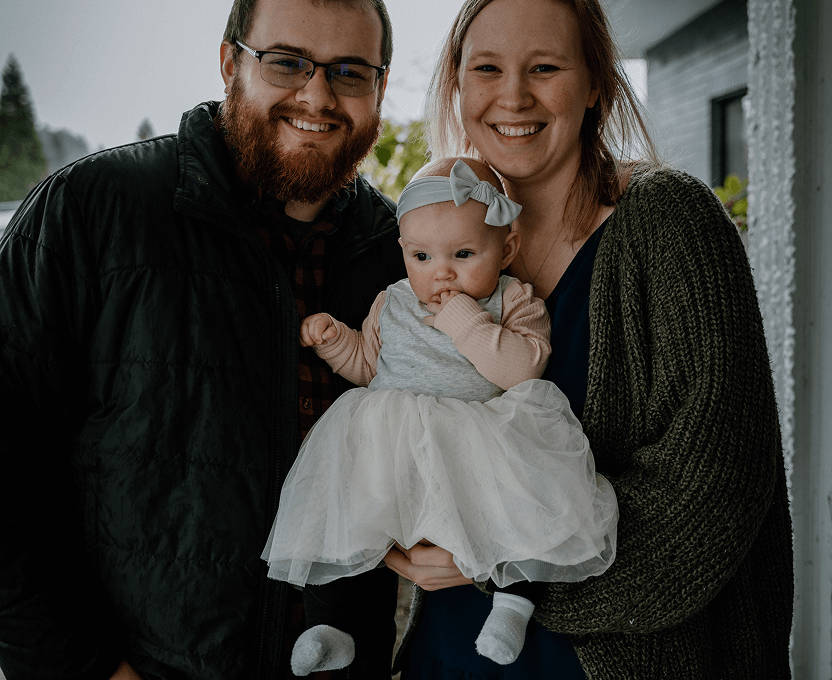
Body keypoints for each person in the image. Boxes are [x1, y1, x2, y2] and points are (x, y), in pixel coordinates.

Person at [385, 0, 795, 678]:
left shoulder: (670, 222)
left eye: (545, 67)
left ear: (596, 81)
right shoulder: (437, 246)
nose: (513, 95)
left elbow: (711, 492)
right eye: (487, 67)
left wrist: (508, 560)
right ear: (459, 83)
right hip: (447, 656)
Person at [0, 0, 405, 678]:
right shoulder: (91, 209)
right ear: (229, 61)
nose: (317, 94)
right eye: (286, 62)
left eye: (349, 72)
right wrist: (86, 666)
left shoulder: (406, 254)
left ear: (380, 88)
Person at [260, 157, 618, 675]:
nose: (441, 272)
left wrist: (463, 319)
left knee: (522, 508)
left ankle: (512, 607)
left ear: (507, 249)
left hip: (476, 442)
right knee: (347, 514)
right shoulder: (393, 302)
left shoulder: (512, 299)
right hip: (397, 444)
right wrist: (338, 343)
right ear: (403, 252)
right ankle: (333, 625)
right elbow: (370, 367)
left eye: (464, 254)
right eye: (422, 256)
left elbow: (522, 369)